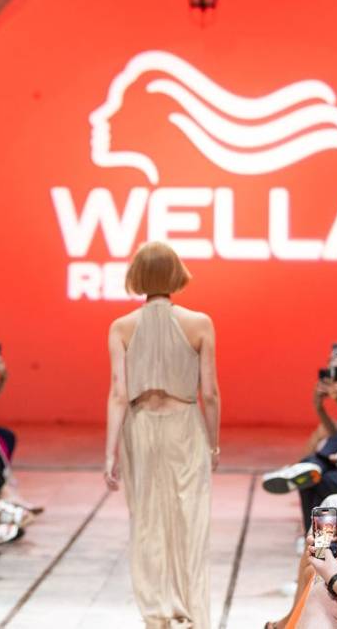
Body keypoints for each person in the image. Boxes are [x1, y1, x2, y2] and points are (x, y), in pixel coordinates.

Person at [104, 241, 219, 628]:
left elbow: (118, 393)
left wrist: (109, 454)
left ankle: (158, 614)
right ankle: (192, 612)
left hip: (140, 427)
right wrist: (214, 443)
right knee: (191, 521)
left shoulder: (121, 327)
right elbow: (210, 393)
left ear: (136, 275)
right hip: (185, 426)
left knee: (147, 522)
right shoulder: (199, 323)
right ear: (175, 273)